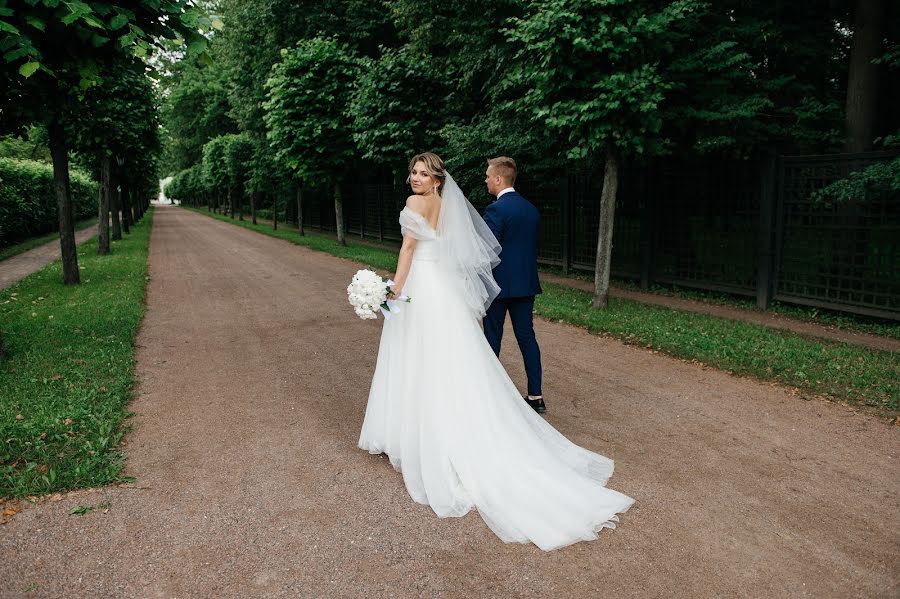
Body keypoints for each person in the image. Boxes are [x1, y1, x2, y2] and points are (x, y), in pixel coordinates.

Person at [358, 152, 633, 551]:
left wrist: (393, 291)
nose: (414, 179)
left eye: (422, 173)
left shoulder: (415, 205)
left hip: (421, 285)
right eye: (412, 173)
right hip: (445, 292)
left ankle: (420, 435)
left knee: (419, 359)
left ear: (436, 180)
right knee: (455, 359)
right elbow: (462, 252)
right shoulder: (447, 204)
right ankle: (467, 419)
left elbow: (407, 251)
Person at [482, 157, 545, 413]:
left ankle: (488, 395)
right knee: (527, 337)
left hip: (498, 286)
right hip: (526, 285)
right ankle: (536, 396)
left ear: (498, 179)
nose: (486, 180)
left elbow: (489, 248)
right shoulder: (531, 209)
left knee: (491, 339)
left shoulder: (496, 210)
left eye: (488, 176)